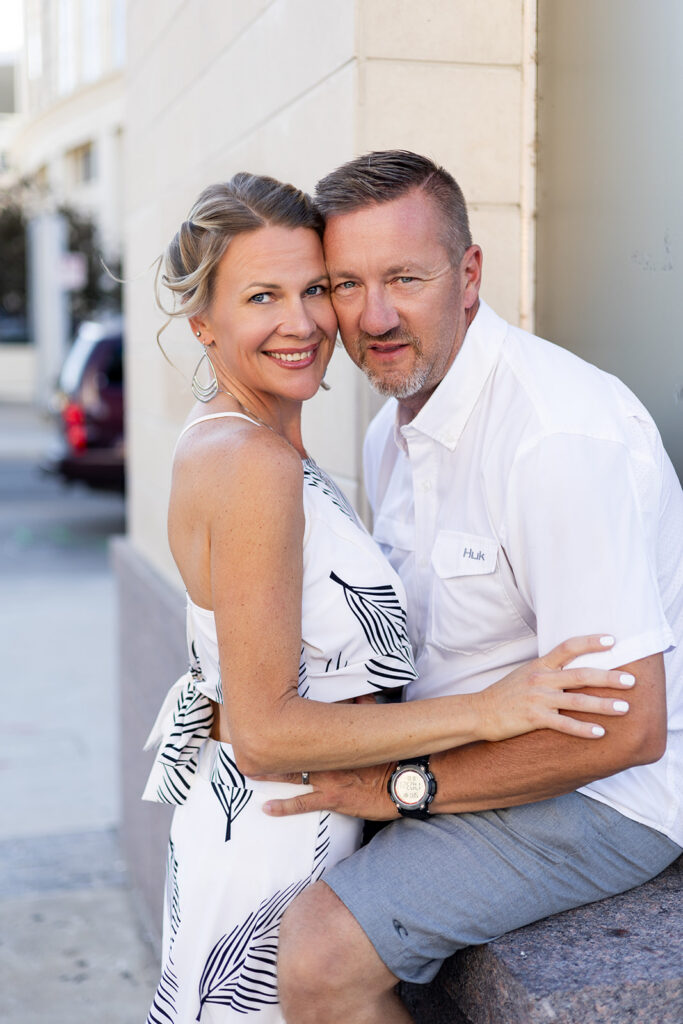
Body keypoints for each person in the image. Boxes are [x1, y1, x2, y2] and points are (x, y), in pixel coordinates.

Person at [141, 172, 632, 1024]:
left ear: (467, 275)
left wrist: (401, 781)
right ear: (204, 326)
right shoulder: (252, 462)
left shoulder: (285, 444)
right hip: (275, 834)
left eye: (312, 289)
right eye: (263, 296)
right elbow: (263, 732)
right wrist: (491, 710)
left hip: (308, 817)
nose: (306, 322)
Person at [263, 151, 683, 1024]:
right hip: (471, 754)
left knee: (316, 954)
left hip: (606, 794)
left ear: (469, 274)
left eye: (404, 278)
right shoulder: (392, 428)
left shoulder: (555, 437)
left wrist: (398, 788)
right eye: (346, 283)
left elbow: (627, 730)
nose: (373, 315)